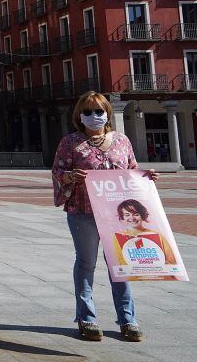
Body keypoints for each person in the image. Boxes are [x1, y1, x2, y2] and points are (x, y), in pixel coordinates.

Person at [52, 91, 158, 343]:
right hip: (83, 211)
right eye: (87, 112)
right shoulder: (70, 143)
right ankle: (87, 318)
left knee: (119, 265)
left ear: (107, 113)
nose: (93, 116)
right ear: (79, 116)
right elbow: (58, 171)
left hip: (117, 214)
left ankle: (128, 319)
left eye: (98, 111)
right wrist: (69, 177)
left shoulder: (122, 141)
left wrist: (147, 177)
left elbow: (131, 169)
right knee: (86, 263)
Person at [113, 200, 177, 267]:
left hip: (159, 275)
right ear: (122, 217)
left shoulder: (157, 235)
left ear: (142, 215)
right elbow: (122, 261)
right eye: (127, 215)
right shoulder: (119, 237)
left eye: (136, 214)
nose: (132, 218)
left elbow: (171, 261)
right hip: (135, 276)